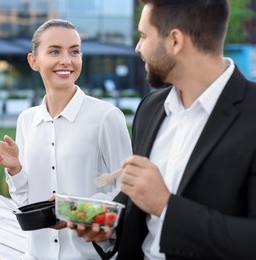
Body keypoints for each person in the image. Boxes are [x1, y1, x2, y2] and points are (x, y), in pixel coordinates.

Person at [71, 0, 256, 259]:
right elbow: (139, 205)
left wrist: (166, 206)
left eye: (144, 36)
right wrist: (108, 225)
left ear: (175, 41)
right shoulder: (150, 108)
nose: (138, 48)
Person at [0, 19, 132, 260]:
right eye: (54, 51)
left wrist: (75, 212)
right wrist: (16, 170)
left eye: (74, 51)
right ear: (34, 61)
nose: (66, 60)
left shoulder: (107, 117)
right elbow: (27, 203)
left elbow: (127, 193)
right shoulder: (26, 120)